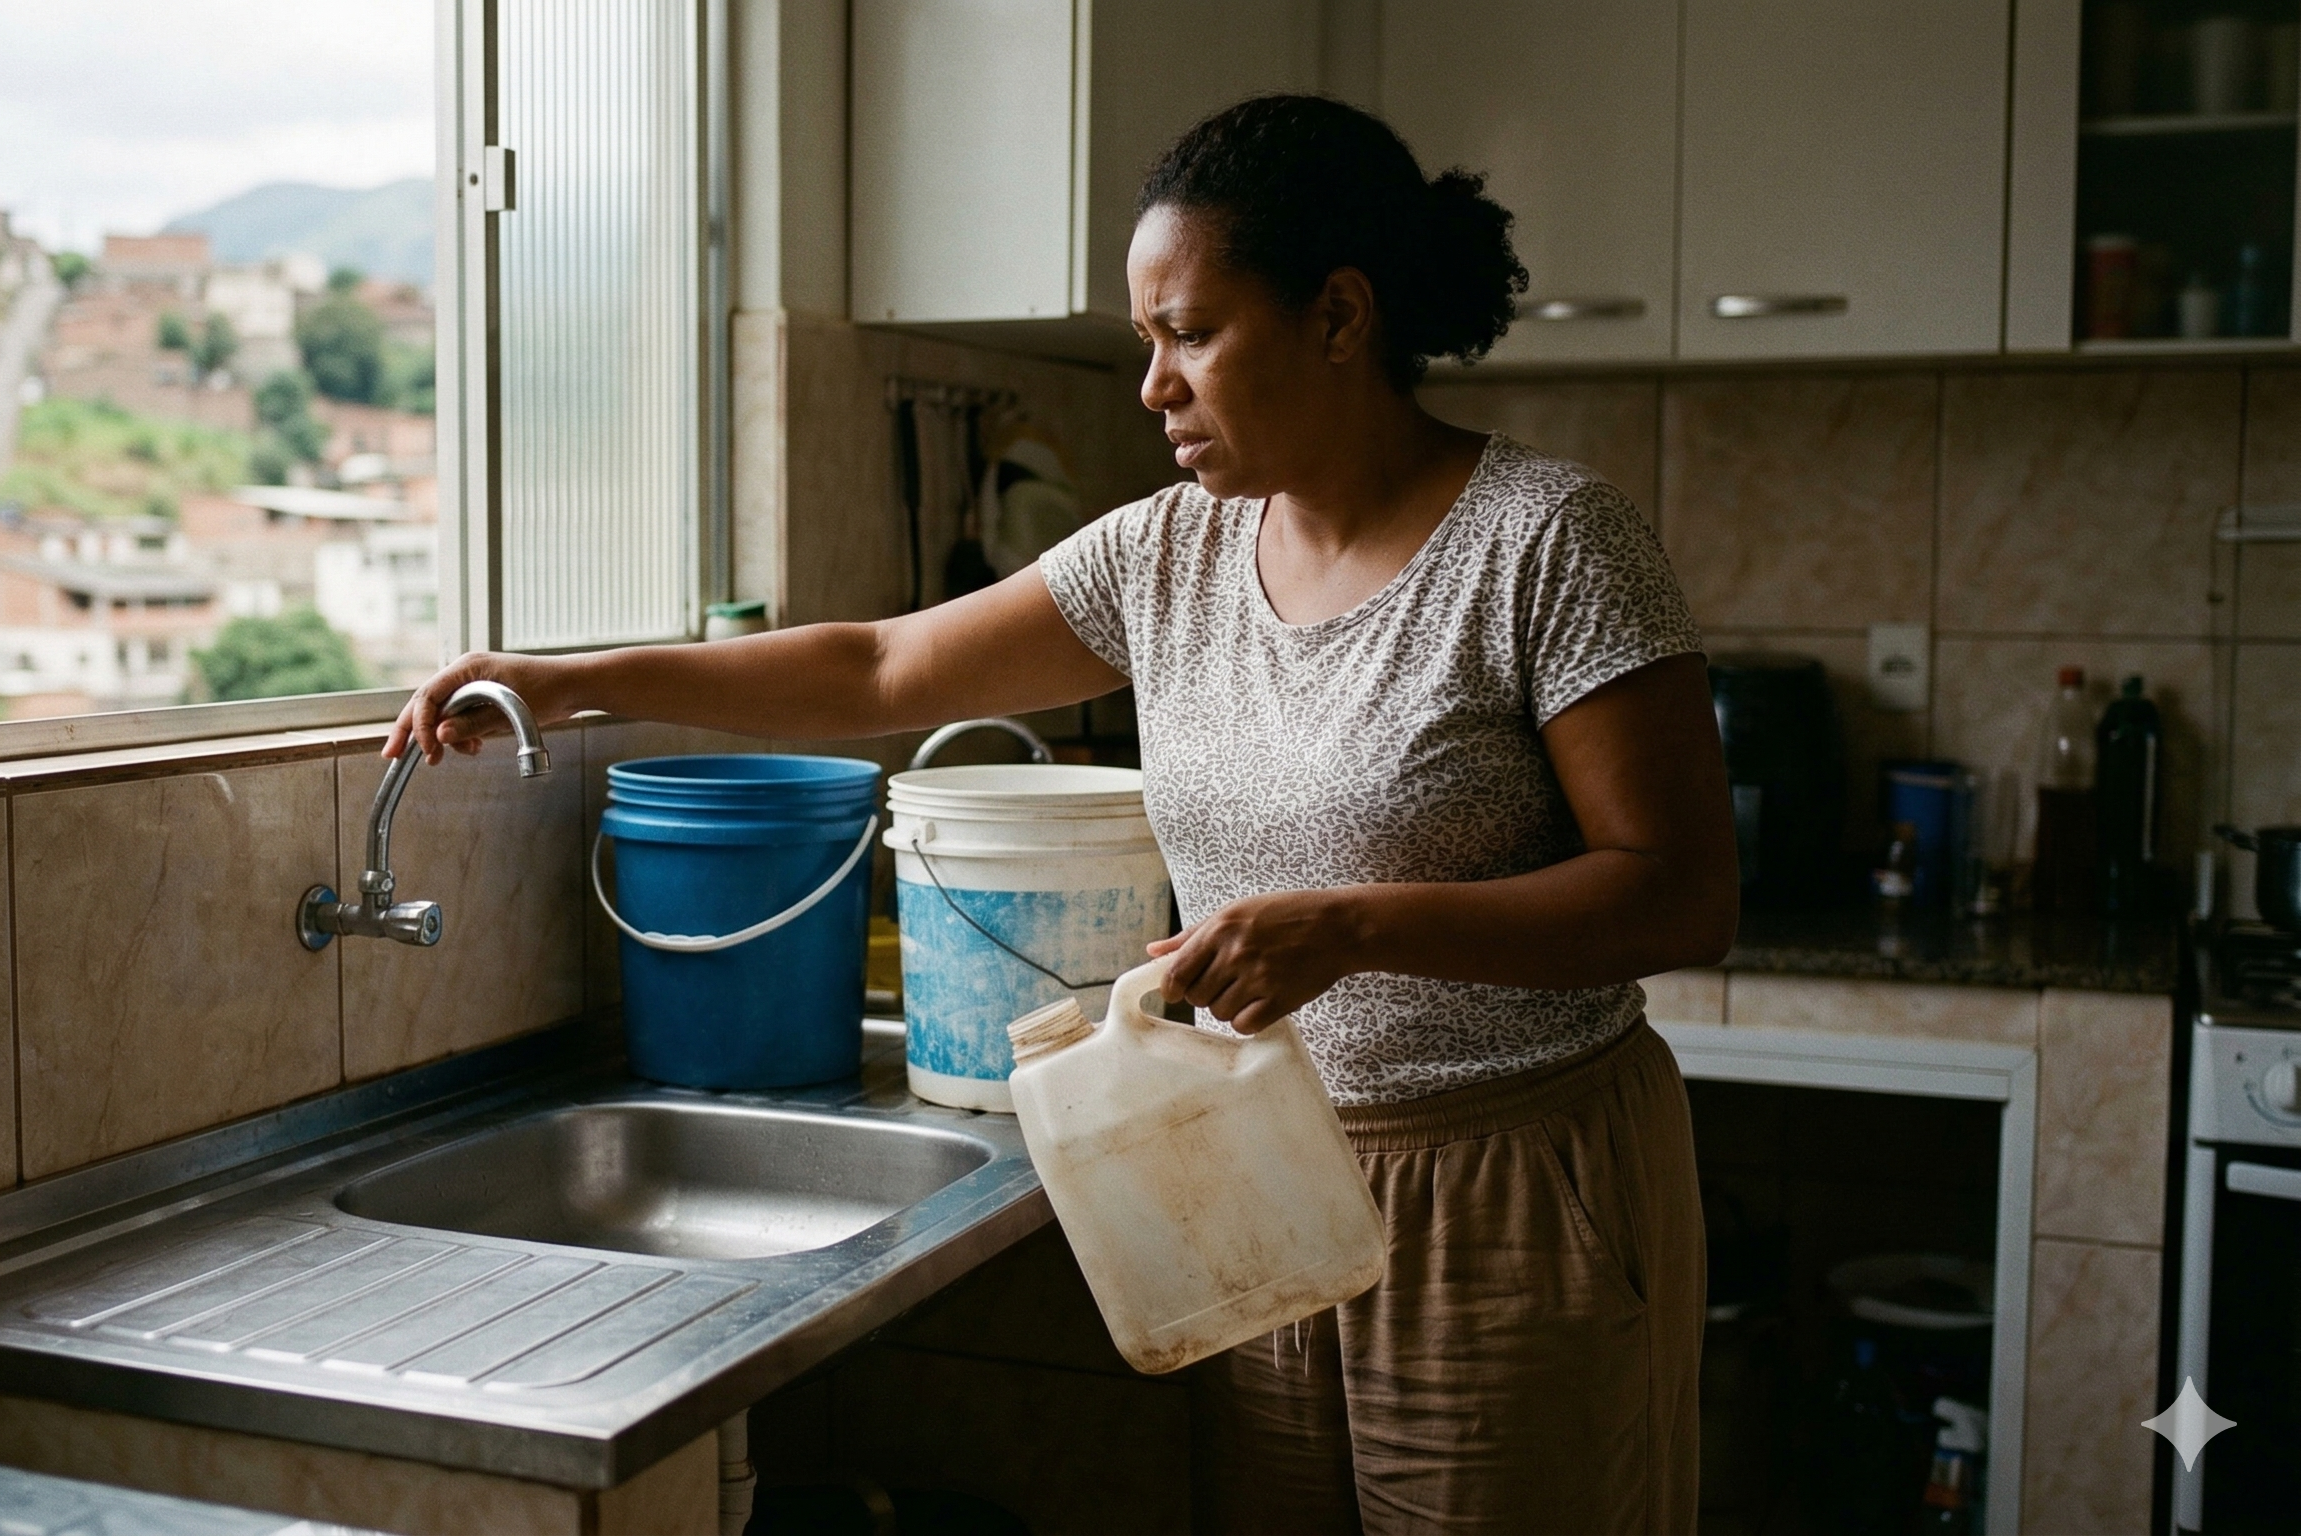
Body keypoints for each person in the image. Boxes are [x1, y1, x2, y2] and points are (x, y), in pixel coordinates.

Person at [387, 94, 1735, 1535]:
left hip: (1508, 1188)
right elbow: (884, 665)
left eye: (1191, 332)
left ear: (1340, 317)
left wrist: (1353, 926)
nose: (1152, 382)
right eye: (1147, 338)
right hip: (1255, 1169)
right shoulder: (1171, 554)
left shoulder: (1546, 542)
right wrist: (571, 682)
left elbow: (1680, 895)